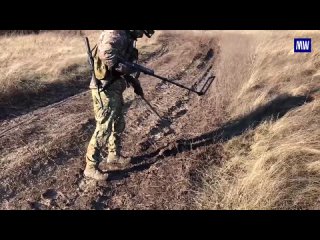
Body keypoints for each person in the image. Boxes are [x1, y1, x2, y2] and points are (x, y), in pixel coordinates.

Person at [84, 30, 154, 181]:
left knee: (118, 122)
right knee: (104, 127)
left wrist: (133, 80)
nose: (142, 34)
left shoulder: (126, 36)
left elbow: (119, 62)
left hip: (114, 86)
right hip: (105, 88)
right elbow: (106, 54)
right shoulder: (117, 33)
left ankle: (113, 155)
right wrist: (128, 68)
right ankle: (90, 167)